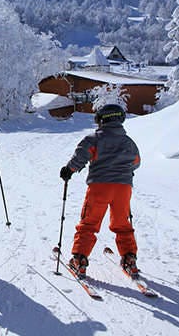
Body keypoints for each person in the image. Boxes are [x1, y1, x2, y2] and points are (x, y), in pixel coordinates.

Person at [60, 103, 141, 279]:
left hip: (99, 186)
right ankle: (129, 259)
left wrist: (68, 170)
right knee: (122, 224)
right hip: (123, 188)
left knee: (89, 223)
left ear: (101, 120)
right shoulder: (129, 142)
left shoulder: (94, 139)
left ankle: (79, 260)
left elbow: (80, 156)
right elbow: (136, 162)